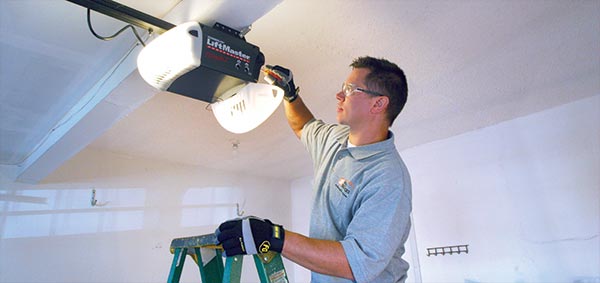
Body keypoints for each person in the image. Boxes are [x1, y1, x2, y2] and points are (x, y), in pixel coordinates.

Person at [217, 56, 412, 282]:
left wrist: (273, 237)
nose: (339, 95)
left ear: (378, 104)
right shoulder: (334, 139)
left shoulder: (388, 177)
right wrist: (290, 94)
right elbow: (303, 125)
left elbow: (356, 262)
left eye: (350, 89)